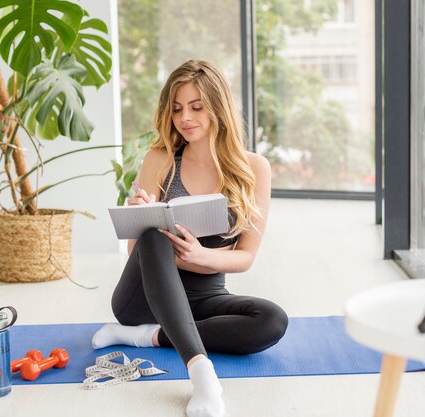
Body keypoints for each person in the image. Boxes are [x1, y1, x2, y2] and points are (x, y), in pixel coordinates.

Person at [92, 59, 288, 417]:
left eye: (196, 107)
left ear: (218, 107)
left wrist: (201, 256)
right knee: (151, 234)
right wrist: (140, 214)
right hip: (142, 300)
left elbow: (245, 257)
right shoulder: (160, 160)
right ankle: (201, 374)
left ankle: (148, 337)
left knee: (271, 320)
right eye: (177, 108)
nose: (185, 117)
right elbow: (137, 251)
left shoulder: (253, 168)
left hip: (207, 295)